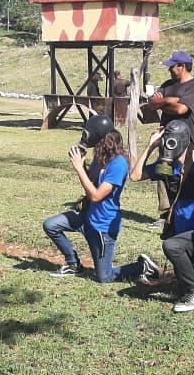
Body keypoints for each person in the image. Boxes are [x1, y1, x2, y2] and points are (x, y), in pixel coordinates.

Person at [130, 119, 194, 312]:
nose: (170, 145)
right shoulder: (165, 166)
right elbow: (135, 176)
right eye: (167, 140)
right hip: (182, 232)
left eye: (173, 141)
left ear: (184, 141)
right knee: (184, 286)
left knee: (172, 246)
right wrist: (150, 145)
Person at [42, 115, 156, 283]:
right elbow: (91, 182)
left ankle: (142, 267)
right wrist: (84, 165)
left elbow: (96, 196)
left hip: (102, 227)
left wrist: (79, 169)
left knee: (105, 277)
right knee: (51, 225)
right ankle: (73, 265)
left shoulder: (119, 164)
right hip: (87, 218)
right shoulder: (100, 157)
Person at [141, 51, 194, 229]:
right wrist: (169, 101)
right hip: (166, 137)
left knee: (185, 178)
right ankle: (164, 214)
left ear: (182, 66)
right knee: (163, 174)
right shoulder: (168, 84)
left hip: (189, 141)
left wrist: (165, 101)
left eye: (172, 66)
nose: (169, 69)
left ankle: (184, 214)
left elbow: (181, 109)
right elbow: (151, 103)